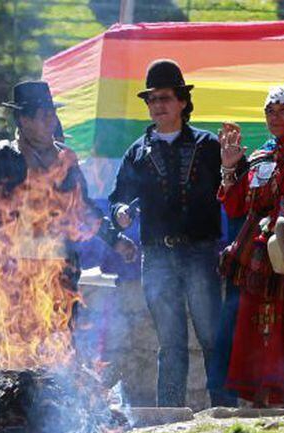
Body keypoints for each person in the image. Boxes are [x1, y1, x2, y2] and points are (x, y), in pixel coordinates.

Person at [0, 81, 103, 369]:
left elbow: (85, 206)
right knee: (17, 344)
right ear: (23, 119)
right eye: (44, 115)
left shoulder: (66, 159)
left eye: (52, 114)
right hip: (15, 269)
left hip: (59, 269)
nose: (51, 120)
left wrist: (114, 234)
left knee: (60, 344)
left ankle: (58, 393)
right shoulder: (3, 154)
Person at [108, 59, 230, 407]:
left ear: (182, 102)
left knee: (211, 336)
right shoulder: (137, 152)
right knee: (170, 343)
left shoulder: (209, 146)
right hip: (156, 256)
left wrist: (232, 166)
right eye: (152, 99)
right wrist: (120, 214)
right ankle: (170, 414)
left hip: (200, 252)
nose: (157, 105)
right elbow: (117, 199)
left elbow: (234, 192)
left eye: (164, 98)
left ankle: (224, 408)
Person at [218, 85, 284, 408]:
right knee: (255, 321)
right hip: (258, 254)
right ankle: (259, 394)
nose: (275, 117)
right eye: (270, 112)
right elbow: (235, 206)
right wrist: (230, 167)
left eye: (283, 111)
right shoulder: (259, 156)